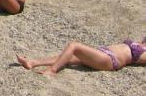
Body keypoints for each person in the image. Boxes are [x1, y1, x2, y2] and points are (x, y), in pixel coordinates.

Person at [17, 36, 146, 76]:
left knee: (74, 46)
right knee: (65, 57)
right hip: (104, 53)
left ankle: (52, 71)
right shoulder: (142, 43)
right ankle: (33, 62)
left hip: (110, 60)